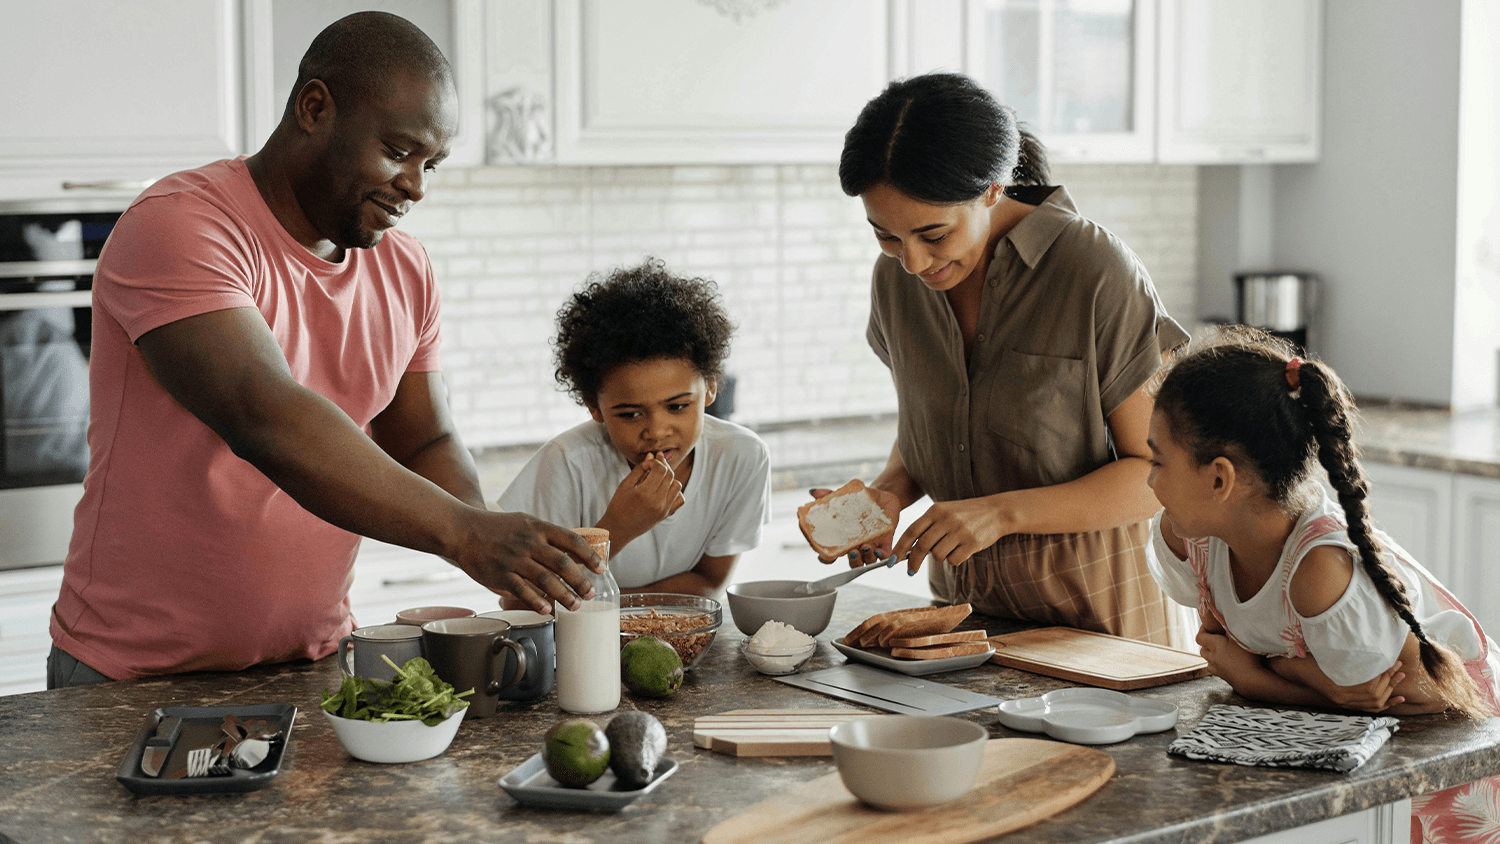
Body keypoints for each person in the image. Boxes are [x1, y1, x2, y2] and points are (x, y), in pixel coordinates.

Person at [47, 12, 601, 687]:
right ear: (315, 108)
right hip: (132, 675)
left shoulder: (404, 267)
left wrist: (495, 545)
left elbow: (423, 439)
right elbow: (267, 417)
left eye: (432, 164)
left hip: (312, 664)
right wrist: (464, 533)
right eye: (399, 151)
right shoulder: (181, 225)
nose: (416, 185)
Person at [820, 72, 1189, 644]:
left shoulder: (1093, 270)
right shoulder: (894, 281)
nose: (913, 262)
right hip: (963, 625)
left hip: (1102, 626)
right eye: (886, 237)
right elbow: (935, 428)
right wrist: (888, 495)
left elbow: (1156, 475)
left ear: (994, 188)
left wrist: (1001, 513)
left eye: (933, 234)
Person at [1145, 327, 1498, 843]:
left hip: (1449, 747)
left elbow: (1397, 700)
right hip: (1350, 747)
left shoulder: (1320, 572)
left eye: (1157, 461)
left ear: (1220, 479)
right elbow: (1231, 652)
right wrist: (1309, 677)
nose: (1148, 480)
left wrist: (1260, 679)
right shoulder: (1192, 536)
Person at [499, 259, 771, 596]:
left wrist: (612, 607)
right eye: (629, 414)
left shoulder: (741, 457)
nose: (656, 431)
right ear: (594, 407)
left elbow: (708, 583)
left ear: (711, 387)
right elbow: (517, 600)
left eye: (677, 406)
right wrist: (617, 528)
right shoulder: (567, 464)